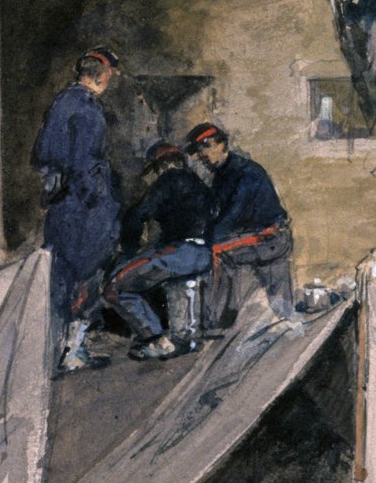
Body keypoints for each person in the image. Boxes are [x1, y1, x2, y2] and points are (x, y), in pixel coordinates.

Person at [31, 46, 123, 372]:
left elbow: (42, 155)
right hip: (84, 209)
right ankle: (73, 351)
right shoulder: (87, 108)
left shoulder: (61, 102)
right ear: (103, 76)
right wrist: (101, 201)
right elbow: (85, 164)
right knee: (87, 277)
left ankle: (58, 351)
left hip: (60, 206)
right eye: (110, 76)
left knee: (61, 278)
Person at [102, 142, 216, 360]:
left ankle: (154, 338)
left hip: (178, 253)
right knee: (179, 283)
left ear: (161, 165)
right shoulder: (201, 186)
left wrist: (129, 250)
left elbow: (138, 215)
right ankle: (185, 338)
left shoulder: (168, 180)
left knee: (115, 288)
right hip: (203, 254)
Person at [184, 122, 295, 324]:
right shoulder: (221, 175)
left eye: (207, 146)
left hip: (269, 238)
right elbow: (215, 214)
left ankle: (218, 322)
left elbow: (233, 215)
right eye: (199, 151)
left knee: (216, 253)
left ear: (222, 145)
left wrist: (206, 240)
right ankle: (282, 320)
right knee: (281, 304)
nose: (202, 155)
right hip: (260, 237)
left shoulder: (245, 172)